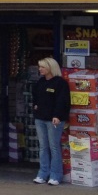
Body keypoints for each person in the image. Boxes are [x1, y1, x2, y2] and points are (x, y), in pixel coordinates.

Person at [31, 57, 69, 186]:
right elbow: (35, 95)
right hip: (40, 118)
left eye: (42, 67)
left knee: (54, 146)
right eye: (39, 67)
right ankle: (43, 173)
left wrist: (57, 115)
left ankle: (56, 175)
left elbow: (62, 101)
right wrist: (35, 106)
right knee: (43, 147)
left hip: (54, 119)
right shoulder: (40, 82)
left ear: (50, 68)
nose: (40, 69)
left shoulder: (60, 83)